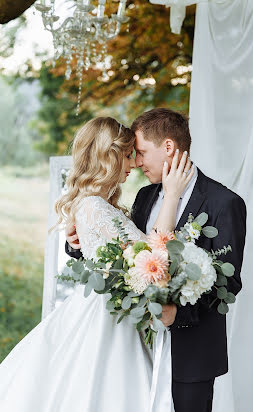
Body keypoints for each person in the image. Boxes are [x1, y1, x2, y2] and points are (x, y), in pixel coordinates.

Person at [0, 116, 194, 412]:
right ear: (110, 156)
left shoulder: (97, 204)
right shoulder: (94, 206)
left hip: (109, 308)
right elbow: (151, 255)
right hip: (103, 316)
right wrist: (172, 196)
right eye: (129, 155)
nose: (134, 164)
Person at [66, 108, 247, 412]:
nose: (136, 163)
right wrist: (76, 243)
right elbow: (120, 253)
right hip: (134, 345)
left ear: (168, 147)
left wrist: (177, 314)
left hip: (191, 355)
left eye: (141, 153)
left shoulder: (224, 203)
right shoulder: (145, 196)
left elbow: (229, 282)